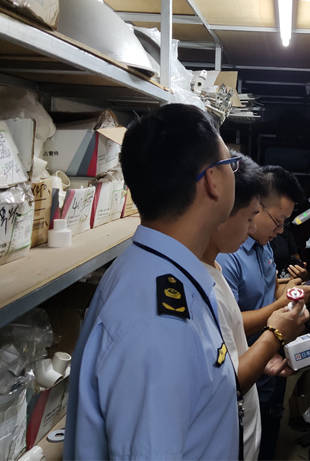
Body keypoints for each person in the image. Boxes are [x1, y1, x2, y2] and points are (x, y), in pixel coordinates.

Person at [64, 104, 242, 460]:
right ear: (212, 180)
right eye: (230, 164)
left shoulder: (160, 271)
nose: (233, 173)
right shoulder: (158, 324)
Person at [200, 155, 310, 460]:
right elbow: (231, 329)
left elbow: (264, 294)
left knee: (267, 433)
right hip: (245, 376)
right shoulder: (224, 258)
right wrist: (277, 323)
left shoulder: (261, 248)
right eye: (277, 221)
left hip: (263, 368)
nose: (280, 230)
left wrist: (290, 291)